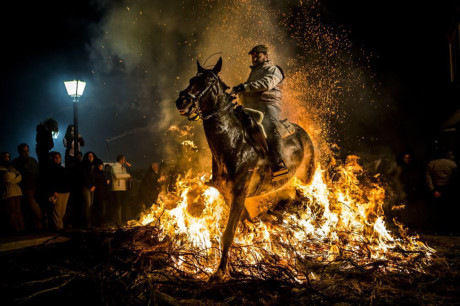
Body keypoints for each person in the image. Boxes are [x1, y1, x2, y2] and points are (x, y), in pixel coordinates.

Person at [232, 44, 288, 179]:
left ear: (266, 56)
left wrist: (244, 87)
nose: (255, 57)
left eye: (258, 55)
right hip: (251, 107)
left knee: (270, 127)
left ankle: (278, 163)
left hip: (268, 104)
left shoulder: (274, 69)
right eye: (253, 55)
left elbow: (266, 84)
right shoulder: (253, 72)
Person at [11, 143, 43, 231]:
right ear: (19, 152)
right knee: (28, 207)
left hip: (35, 187)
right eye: (24, 151)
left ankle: (38, 225)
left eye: (27, 151)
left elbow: (37, 172)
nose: (26, 153)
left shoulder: (32, 160)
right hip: (25, 189)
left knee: (33, 206)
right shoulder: (16, 162)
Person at [425, 150, 458, 232]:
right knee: (449, 210)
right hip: (449, 189)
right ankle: (449, 230)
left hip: (436, 188)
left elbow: (428, 178)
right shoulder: (453, 164)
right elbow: (456, 178)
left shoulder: (432, 163)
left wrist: (433, 190)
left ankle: (437, 230)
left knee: (437, 210)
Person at [0, 152, 25, 233]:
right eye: (5, 156)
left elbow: (20, 177)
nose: (7, 158)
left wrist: (12, 178)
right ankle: (16, 229)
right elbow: (6, 178)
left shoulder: (11, 167)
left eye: (8, 156)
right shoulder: (1, 168)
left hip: (16, 190)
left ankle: (22, 229)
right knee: (12, 211)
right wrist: (15, 178)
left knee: (18, 210)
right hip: (9, 190)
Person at [46, 152, 71, 231]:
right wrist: (54, 191)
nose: (57, 159)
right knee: (57, 210)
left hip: (66, 191)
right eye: (55, 157)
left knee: (62, 211)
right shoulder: (51, 169)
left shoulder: (62, 168)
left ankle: (60, 226)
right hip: (58, 192)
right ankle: (58, 227)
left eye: (59, 157)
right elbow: (51, 181)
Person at [111, 155, 132, 225]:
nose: (125, 161)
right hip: (117, 189)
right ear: (121, 160)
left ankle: (123, 220)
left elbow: (125, 176)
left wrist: (128, 179)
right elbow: (117, 176)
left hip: (123, 188)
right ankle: (117, 221)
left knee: (124, 205)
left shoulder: (123, 168)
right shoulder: (114, 167)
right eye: (124, 159)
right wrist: (128, 175)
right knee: (118, 205)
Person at [81, 152, 97, 228]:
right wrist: (90, 185)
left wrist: (94, 185)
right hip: (86, 187)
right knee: (88, 204)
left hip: (92, 187)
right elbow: (84, 177)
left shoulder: (94, 166)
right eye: (89, 156)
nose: (90, 157)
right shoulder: (84, 165)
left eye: (92, 156)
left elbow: (95, 177)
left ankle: (90, 221)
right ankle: (87, 222)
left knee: (91, 204)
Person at [93, 159, 109, 226]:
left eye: (101, 165)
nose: (101, 166)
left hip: (103, 193)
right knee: (100, 207)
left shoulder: (102, 172)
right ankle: (99, 222)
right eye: (99, 165)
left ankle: (102, 222)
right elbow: (97, 182)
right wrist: (105, 182)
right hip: (98, 193)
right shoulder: (95, 173)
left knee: (102, 207)